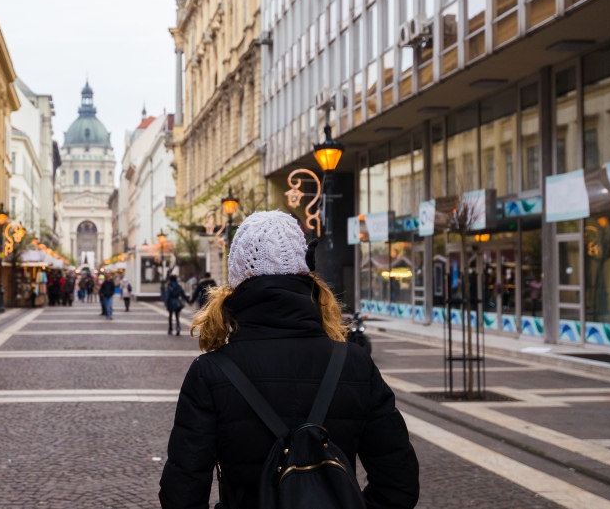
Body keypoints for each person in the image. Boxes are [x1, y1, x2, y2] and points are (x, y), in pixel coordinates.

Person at [159, 211, 419, 509]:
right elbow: (400, 483)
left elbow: (181, 494)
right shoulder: (355, 364)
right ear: (305, 274)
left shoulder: (210, 373)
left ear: (237, 280)